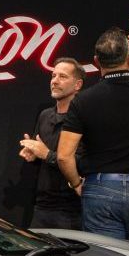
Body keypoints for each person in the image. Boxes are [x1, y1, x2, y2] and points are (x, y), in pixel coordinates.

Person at [56, 30, 129, 245]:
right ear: (128, 59)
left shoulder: (83, 100)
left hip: (100, 186)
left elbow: (63, 156)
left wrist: (77, 183)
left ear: (97, 62)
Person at [22, 58, 86, 230]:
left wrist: (46, 154)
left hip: (72, 208)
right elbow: (40, 152)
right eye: (53, 76)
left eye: (63, 77)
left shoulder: (85, 117)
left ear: (77, 85)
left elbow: (83, 162)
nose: (55, 81)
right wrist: (33, 154)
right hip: (42, 206)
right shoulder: (44, 115)